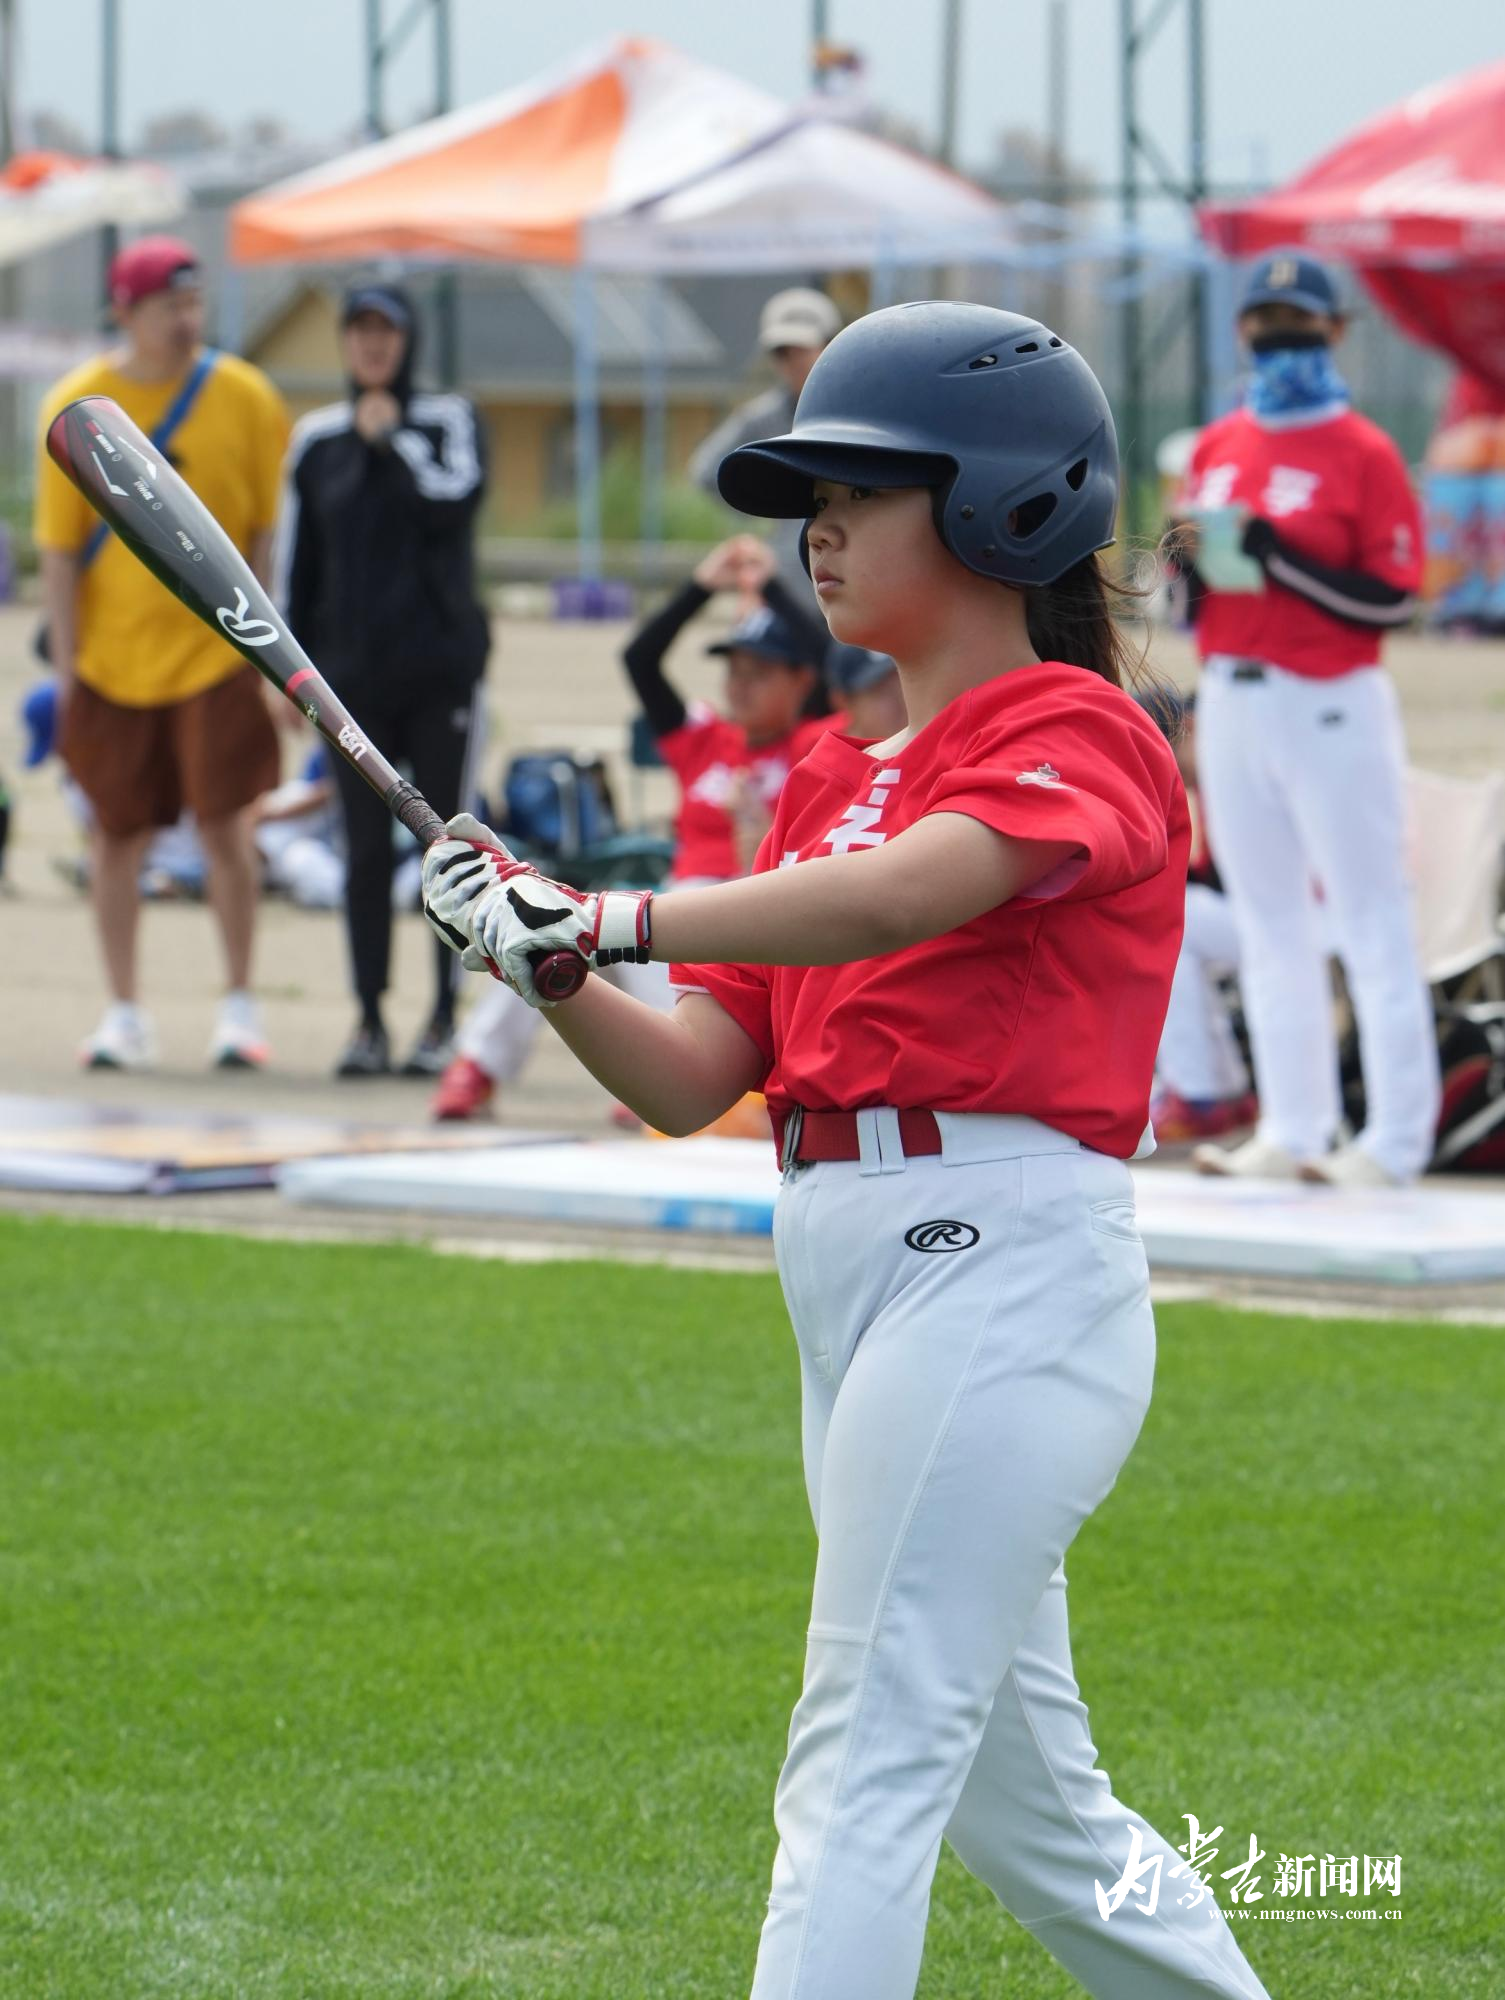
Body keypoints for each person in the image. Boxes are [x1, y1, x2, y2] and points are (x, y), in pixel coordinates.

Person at [420, 302, 1272, 2000]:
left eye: (862, 489)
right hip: (849, 1268)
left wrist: (611, 910)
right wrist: (546, 965)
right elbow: (692, 1078)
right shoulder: (824, 777)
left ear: (1006, 504)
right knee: (1032, 1820)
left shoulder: (1079, 728)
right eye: (812, 494)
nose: (819, 527)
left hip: (1001, 1263)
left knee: (861, 1761)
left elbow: (912, 893)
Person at [1170, 253, 1439, 1185]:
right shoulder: (1218, 443)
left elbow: (1391, 599)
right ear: (1240, 329)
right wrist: (1189, 564)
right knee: (1266, 919)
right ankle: (1293, 1127)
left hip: (1328, 698)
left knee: (1368, 915)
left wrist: (1280, 556)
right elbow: (1193, 601)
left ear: (1334, 330)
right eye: (1264, 318)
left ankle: (1394, 1139)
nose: (1278, 335)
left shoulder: (1362, 452)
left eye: (1297, 318)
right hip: (1232, 692)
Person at [429, 532, 832, 1122]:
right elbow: (640, 659)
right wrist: (702, 587)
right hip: (676, 928)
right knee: (542, 926)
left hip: (750, 939)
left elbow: (832, 661)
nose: (739, 684)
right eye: (734, 669)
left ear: (802, 681)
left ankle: (658, 1087)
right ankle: (477, 1067)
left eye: (761, 671)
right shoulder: (706, 740)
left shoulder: (818, 742)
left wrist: (769, 585)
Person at [34, 234, 290, 1070]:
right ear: (125, 312)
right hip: (112, 663)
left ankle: (240, 1006)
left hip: (217, 656)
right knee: (115, 837)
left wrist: (267, 656)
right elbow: (59, 554)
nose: (185, 320)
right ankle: (123, 1011)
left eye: (193, 302)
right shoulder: (77, 405)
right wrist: (69, 673)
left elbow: (261, 538)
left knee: (227, 829)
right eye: (167, 306)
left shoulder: (245, 396)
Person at [274, 280, 489, 1079]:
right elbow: (297, 568)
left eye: (386, 331)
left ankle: (443, 1018)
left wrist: (392, 440)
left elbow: (454, 502)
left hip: (440, 676)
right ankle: (368, 1018)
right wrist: (285, 672)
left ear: (407, 341)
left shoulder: (447, 420)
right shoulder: (316, 440)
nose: (372, 344)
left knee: (447, 846)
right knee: (363, 852)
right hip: (349, 687)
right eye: (359, 329)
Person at [1141, 688, 1259, 1144]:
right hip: (1286, 920)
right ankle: (1220, 1094)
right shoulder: (1219, 773)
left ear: (1188, 729)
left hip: (1315, 923)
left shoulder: (1236, 767)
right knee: (1177, 927)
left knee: (1168, 920)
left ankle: (1199, 1097)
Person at [690, 288, 842, 596]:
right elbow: (705, 470)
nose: (792, 361)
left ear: (830, 345)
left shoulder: (857, 414)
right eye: (782, 352)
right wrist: (765, 504)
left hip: (849, 569)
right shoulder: (761, 418)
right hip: (786, 582)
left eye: (801, 348)